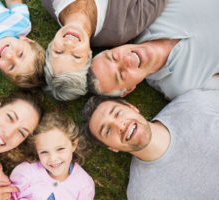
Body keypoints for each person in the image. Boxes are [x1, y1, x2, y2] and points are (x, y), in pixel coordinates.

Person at [81, 89, 219, 199]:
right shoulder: (141, 194)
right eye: (108, 130)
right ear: (112, 148)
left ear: (132, 107)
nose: (120, 125)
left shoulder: (193, 104)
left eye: (118, 113)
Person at [88, 0, 219, 100]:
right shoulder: (179, 88)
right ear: (128, 89)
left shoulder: (144, 15)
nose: (127, 60)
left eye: (114, 57)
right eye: (121, 74)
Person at [41, 0, 167, 100]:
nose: (68, 44)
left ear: (50, 46)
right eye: (76, 57)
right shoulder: (121, 29)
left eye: (58, 52)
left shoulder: (49, 2)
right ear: (89, 55)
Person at [10, 112, 95, 199]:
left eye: (60, 149)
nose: (53, 158)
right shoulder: (25, 173)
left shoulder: (84, 185)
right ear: (36, 150)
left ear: (73, 145)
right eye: (44, 152)